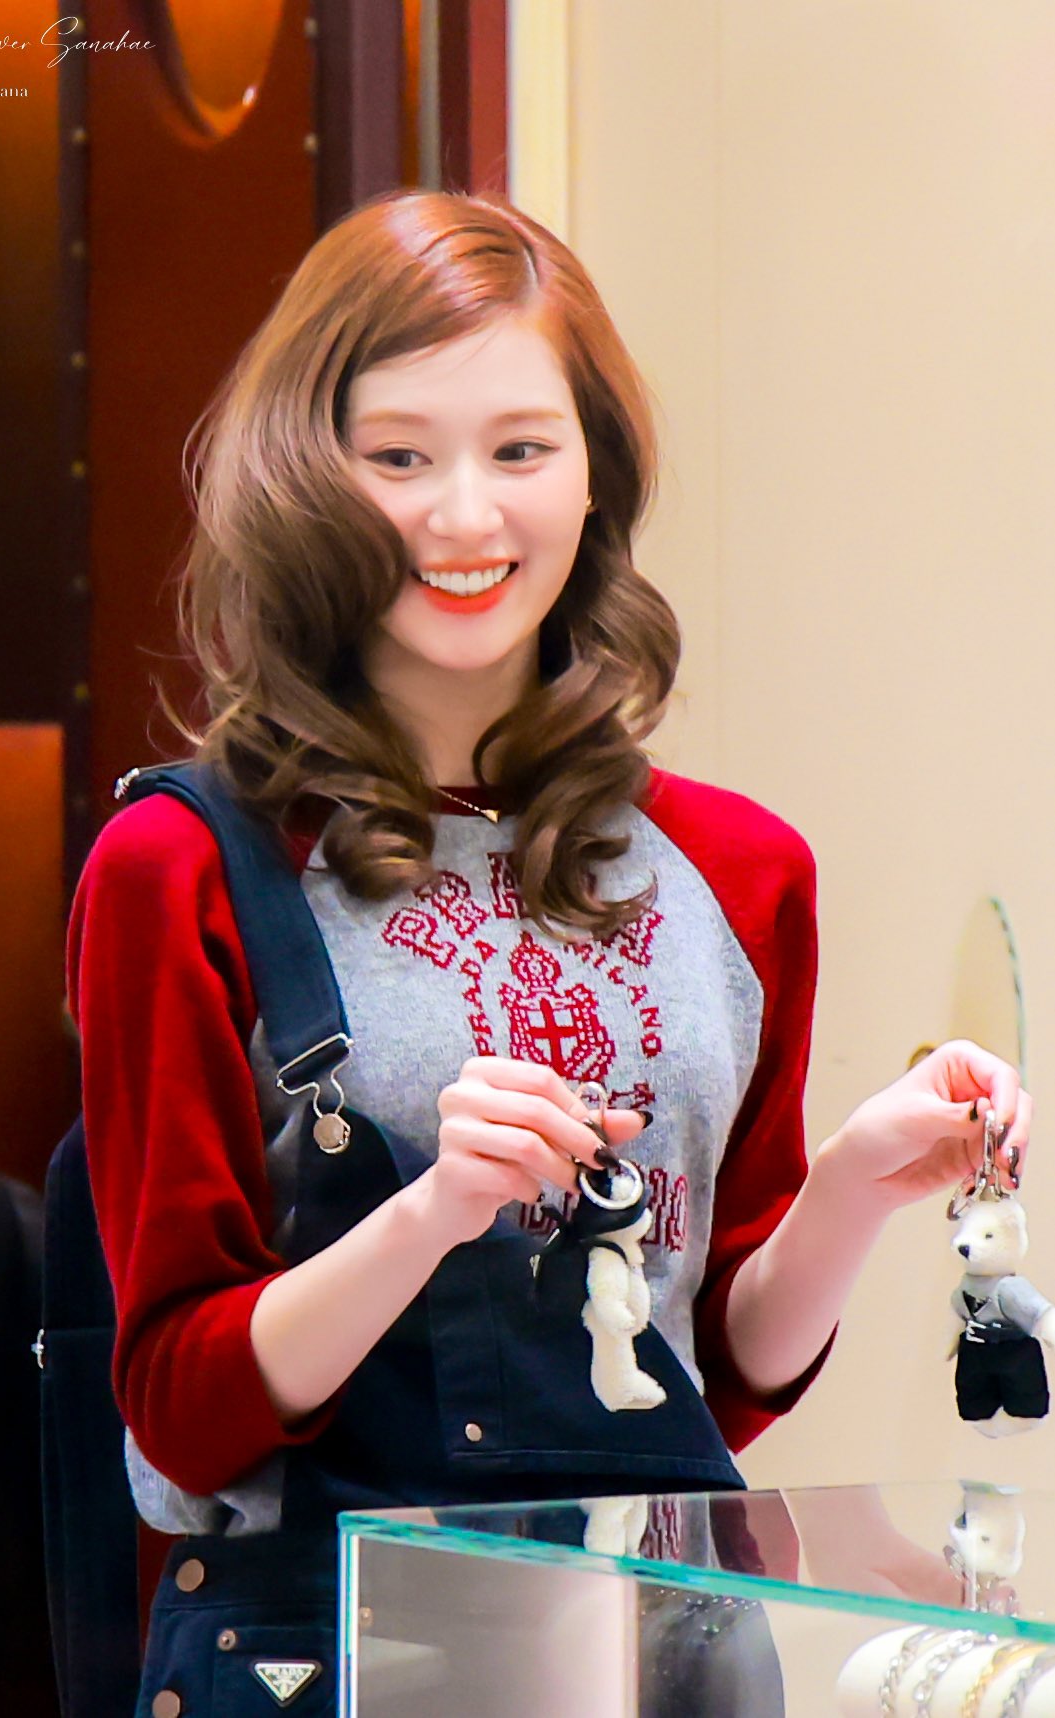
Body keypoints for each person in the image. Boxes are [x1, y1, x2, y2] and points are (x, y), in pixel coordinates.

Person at [68, 190, 1029, 1717]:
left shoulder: (741, 873)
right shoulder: (179, 867)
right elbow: (183, 1413)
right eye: (398, 457)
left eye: (520, 449)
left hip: (668, 1656)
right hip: (328, 1658)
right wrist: (431, 1213)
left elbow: (712, 1379)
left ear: (595, 474)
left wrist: (853, 1182)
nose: (465, 518)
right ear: (305, 479)